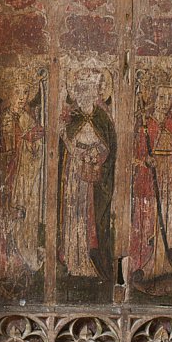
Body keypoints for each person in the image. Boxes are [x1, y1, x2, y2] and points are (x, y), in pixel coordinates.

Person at [130, 70, 172, 296]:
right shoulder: (144, 122)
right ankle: (146, 264)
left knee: (168, 218)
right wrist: (145, 160)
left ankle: (165, 263)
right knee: (149, 220)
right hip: (148, 178)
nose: (165, 102)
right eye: (161, 97)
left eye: (169, 97)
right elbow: (132, 156)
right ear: (153, 97)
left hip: (167, 178)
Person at [0, 70, 45, 284]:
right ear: (9, 94)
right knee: (4, 214)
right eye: (17, 92)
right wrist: (20, 138)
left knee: (20, 217)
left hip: (22, 176)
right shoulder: (0, 119)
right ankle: (2, 260)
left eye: (25, 93)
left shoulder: (28, 118)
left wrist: (32, 142)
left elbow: (37, 152)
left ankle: (20, 257)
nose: (21, 97)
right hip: (4, 174)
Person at [57, 70, 116, 280]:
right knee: (74, 214)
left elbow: (110, 147)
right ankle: (74, 259)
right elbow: (64, 147)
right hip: (74, 173)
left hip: (94, 176)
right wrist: (74, 149)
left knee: (89, 215)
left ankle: (90, 260)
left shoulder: (102, 118)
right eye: (81, 90)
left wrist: (96, 155)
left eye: (89, 90)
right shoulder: (71, 118)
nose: (85, 94)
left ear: (96, 92)